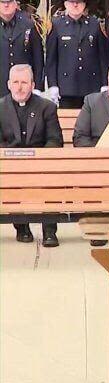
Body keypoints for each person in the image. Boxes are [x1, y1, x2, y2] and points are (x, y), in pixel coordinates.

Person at [0, 64, 63, 247]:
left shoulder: (47, 107)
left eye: (24, 82)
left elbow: (55, 140)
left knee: (50, 177)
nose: (19, 87)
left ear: (33, 84)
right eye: (16, 82)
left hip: (42, 163)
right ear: (8, 84)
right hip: (10, 164)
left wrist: (39, 159)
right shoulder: (1, 108)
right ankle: (22, 227)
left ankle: (49, 230)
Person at [45, 0, 109, 109]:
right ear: (65, 4)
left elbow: (103, 57)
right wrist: (53, 85)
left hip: (91, 86)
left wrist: (105, 83)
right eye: (71, 2)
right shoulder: (56, 25)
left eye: (79, 2)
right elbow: (51, 59)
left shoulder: (95, 24)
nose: (75, 5)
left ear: (84, 4)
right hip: (66, 88)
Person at [0, 0, 44, 98]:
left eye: (10, 1)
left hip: (24, 88)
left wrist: (37, 87)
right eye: (3, 2)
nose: (6, 5)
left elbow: (38, 58)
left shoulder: (28, 24)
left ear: (16, 4)